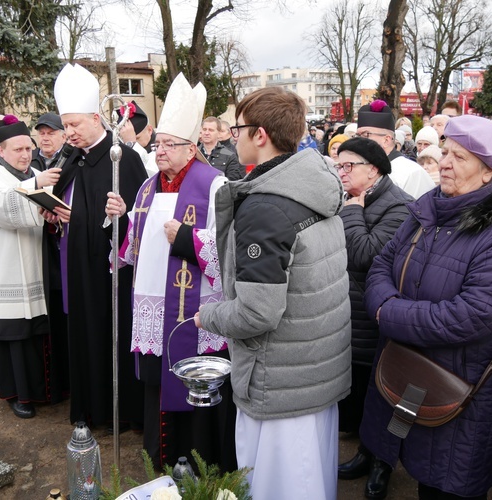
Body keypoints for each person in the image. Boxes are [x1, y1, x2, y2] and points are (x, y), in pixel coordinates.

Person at [360, 115, 492, 499]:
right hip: (406, 369)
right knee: (407, 456)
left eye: (459, 157)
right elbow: (382, 264)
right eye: (445, 152)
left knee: (446, 484)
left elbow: (471, 316)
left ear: (489, 172)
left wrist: (387, 313)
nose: (443, 162)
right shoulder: (427, 211)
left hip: (463, 389)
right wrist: (384, 304)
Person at [197, 86, 352, 500]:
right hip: (313, 371)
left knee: (281, 485)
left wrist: (206, 316)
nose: (233, 136)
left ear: (260, 134)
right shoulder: (313, 184)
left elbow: (256, 313)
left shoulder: (267, 206)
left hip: (280, 383)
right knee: (312, 479)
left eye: (238, 128)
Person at [105, 73, 235, 471]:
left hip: (196, 312)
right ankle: (162, 461)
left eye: (168, 144)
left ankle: (204, 465)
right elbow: (133, 252)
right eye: (157, 143)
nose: (159, 150)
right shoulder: (147, 187)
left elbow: (228, 253)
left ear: (192, 148)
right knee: (159, 386)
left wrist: (187, 240)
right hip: (155, 306)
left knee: (198, 387)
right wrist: (121, 222)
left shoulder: (215, 185)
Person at [46, 63, 148, 427]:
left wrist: (94, 220)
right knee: (82, 335)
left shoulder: (125, 158)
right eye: (65, 125)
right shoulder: (74, 158)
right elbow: (65, 200)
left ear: (95, 118)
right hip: (77, 265)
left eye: (74, 124)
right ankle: (87, 406)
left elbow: (137, 223)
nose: (67, 132)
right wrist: (54, 213)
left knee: (108, 334)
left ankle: (114, 411)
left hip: (109, 274)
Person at [334, 137, 413, 499]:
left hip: (379, 320)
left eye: (350, 166)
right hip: (353, 317)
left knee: (389, 397)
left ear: (374, 170)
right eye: (339, 166)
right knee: (367, 396)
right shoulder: (353, 199)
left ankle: (384, 462)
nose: (342, 172)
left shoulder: (398, 207)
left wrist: (351, 210)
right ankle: (367, 452)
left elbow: (364, 254)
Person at [0, 116, 63, 419]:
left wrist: (51, 218)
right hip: (6, 267)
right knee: (16, 333)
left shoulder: (36, 172)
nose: (25, 155)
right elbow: (1, 208)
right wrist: (36, 184)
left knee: (40, 329)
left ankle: (48, 389)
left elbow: (42, 213)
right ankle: (18, 393)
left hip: (38, 261)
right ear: (0, 149)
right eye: (17, 149)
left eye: (28, 148)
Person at [356, 100, 435, 199]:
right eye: (357, 136)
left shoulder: (411, 173)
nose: (358, 141)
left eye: (365, 135)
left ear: (386, 140)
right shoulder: (356, 169)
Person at [116, 101, 158, 177]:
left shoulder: (161, 149)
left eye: (137, 138)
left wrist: (132, 144)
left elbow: (154, 175)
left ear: (149, 130)